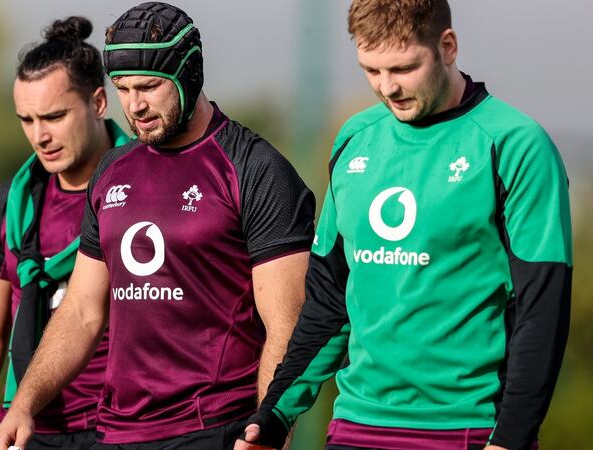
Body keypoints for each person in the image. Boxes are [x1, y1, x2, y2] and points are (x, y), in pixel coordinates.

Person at [237, 1, 573, 449]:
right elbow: (329, 301)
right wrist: (275, 414)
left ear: (447, 47)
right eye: (371, 71)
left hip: (467, 429)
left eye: (403, 67)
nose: (387, 88)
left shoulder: (516, 145)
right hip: (356, 425)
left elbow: (542, 310)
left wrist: (511, 437)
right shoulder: (355, 138)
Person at [0, 3, 315, 450]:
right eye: (123, 88)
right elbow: (83, 310)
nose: (134, 106)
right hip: (118, 433)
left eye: (149, 87)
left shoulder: (254, 168)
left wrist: (268, 429)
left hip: (214, 428)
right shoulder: (112, 172)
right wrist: (23, 404)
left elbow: (286, 323)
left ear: (189, 75)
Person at [0, 16, 130, 450]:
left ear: (99, 103)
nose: (40, 136)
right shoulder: (11, 205)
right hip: (22, 430)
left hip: (120, 431)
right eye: (27, 119)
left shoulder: (144, 192)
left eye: (55, 116)